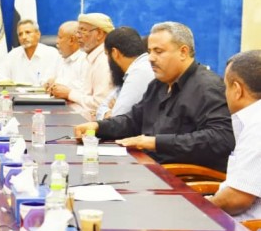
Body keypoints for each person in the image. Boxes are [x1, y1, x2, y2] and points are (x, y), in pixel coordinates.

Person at [75, 22, 234, 172]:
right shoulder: (159, 84)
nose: (150, 58)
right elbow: (133, 120)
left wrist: (155, 142)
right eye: (149, 51)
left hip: (181, 177)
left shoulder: (208, 88)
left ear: (183, 52)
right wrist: (98, 127)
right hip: (147, 167)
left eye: (158, 52)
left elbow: (221, 138)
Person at [210, 50, 261, 220]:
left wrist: (201, 207)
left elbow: (236, 199)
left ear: (237, 90)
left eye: (226, 87)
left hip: (245, 230)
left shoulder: (257, 126)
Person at [48, 13, 114, 119]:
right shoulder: (92, 57)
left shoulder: (104, 60)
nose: (78, 36)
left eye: (83, 30)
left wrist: (69, 94)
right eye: (78, 31)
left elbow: (100, 104)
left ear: (99, 34)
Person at [96, 27, 154, 119]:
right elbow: (102, 107)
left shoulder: (139, 72)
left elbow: (117, 119)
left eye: (107, 54)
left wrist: (112, 112)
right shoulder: (132, 70)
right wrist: (108, 113)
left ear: (115, 53)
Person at [0, 19, 59, 85]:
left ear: (38, 34)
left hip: (43, 91)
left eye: (28, 32)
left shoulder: (52, 54)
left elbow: (57, 79)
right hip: (17, 91)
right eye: (20, 34)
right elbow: (1, 77)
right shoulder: (12, 55)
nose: (24, 37)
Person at [47, 21, 88, 91]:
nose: (57, 41)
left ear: (71, 40)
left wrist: (57, 83)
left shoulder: (85, 60)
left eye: (60, 37)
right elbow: (48, 79)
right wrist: (48, 83)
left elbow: (84, 88)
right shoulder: (59, 57)